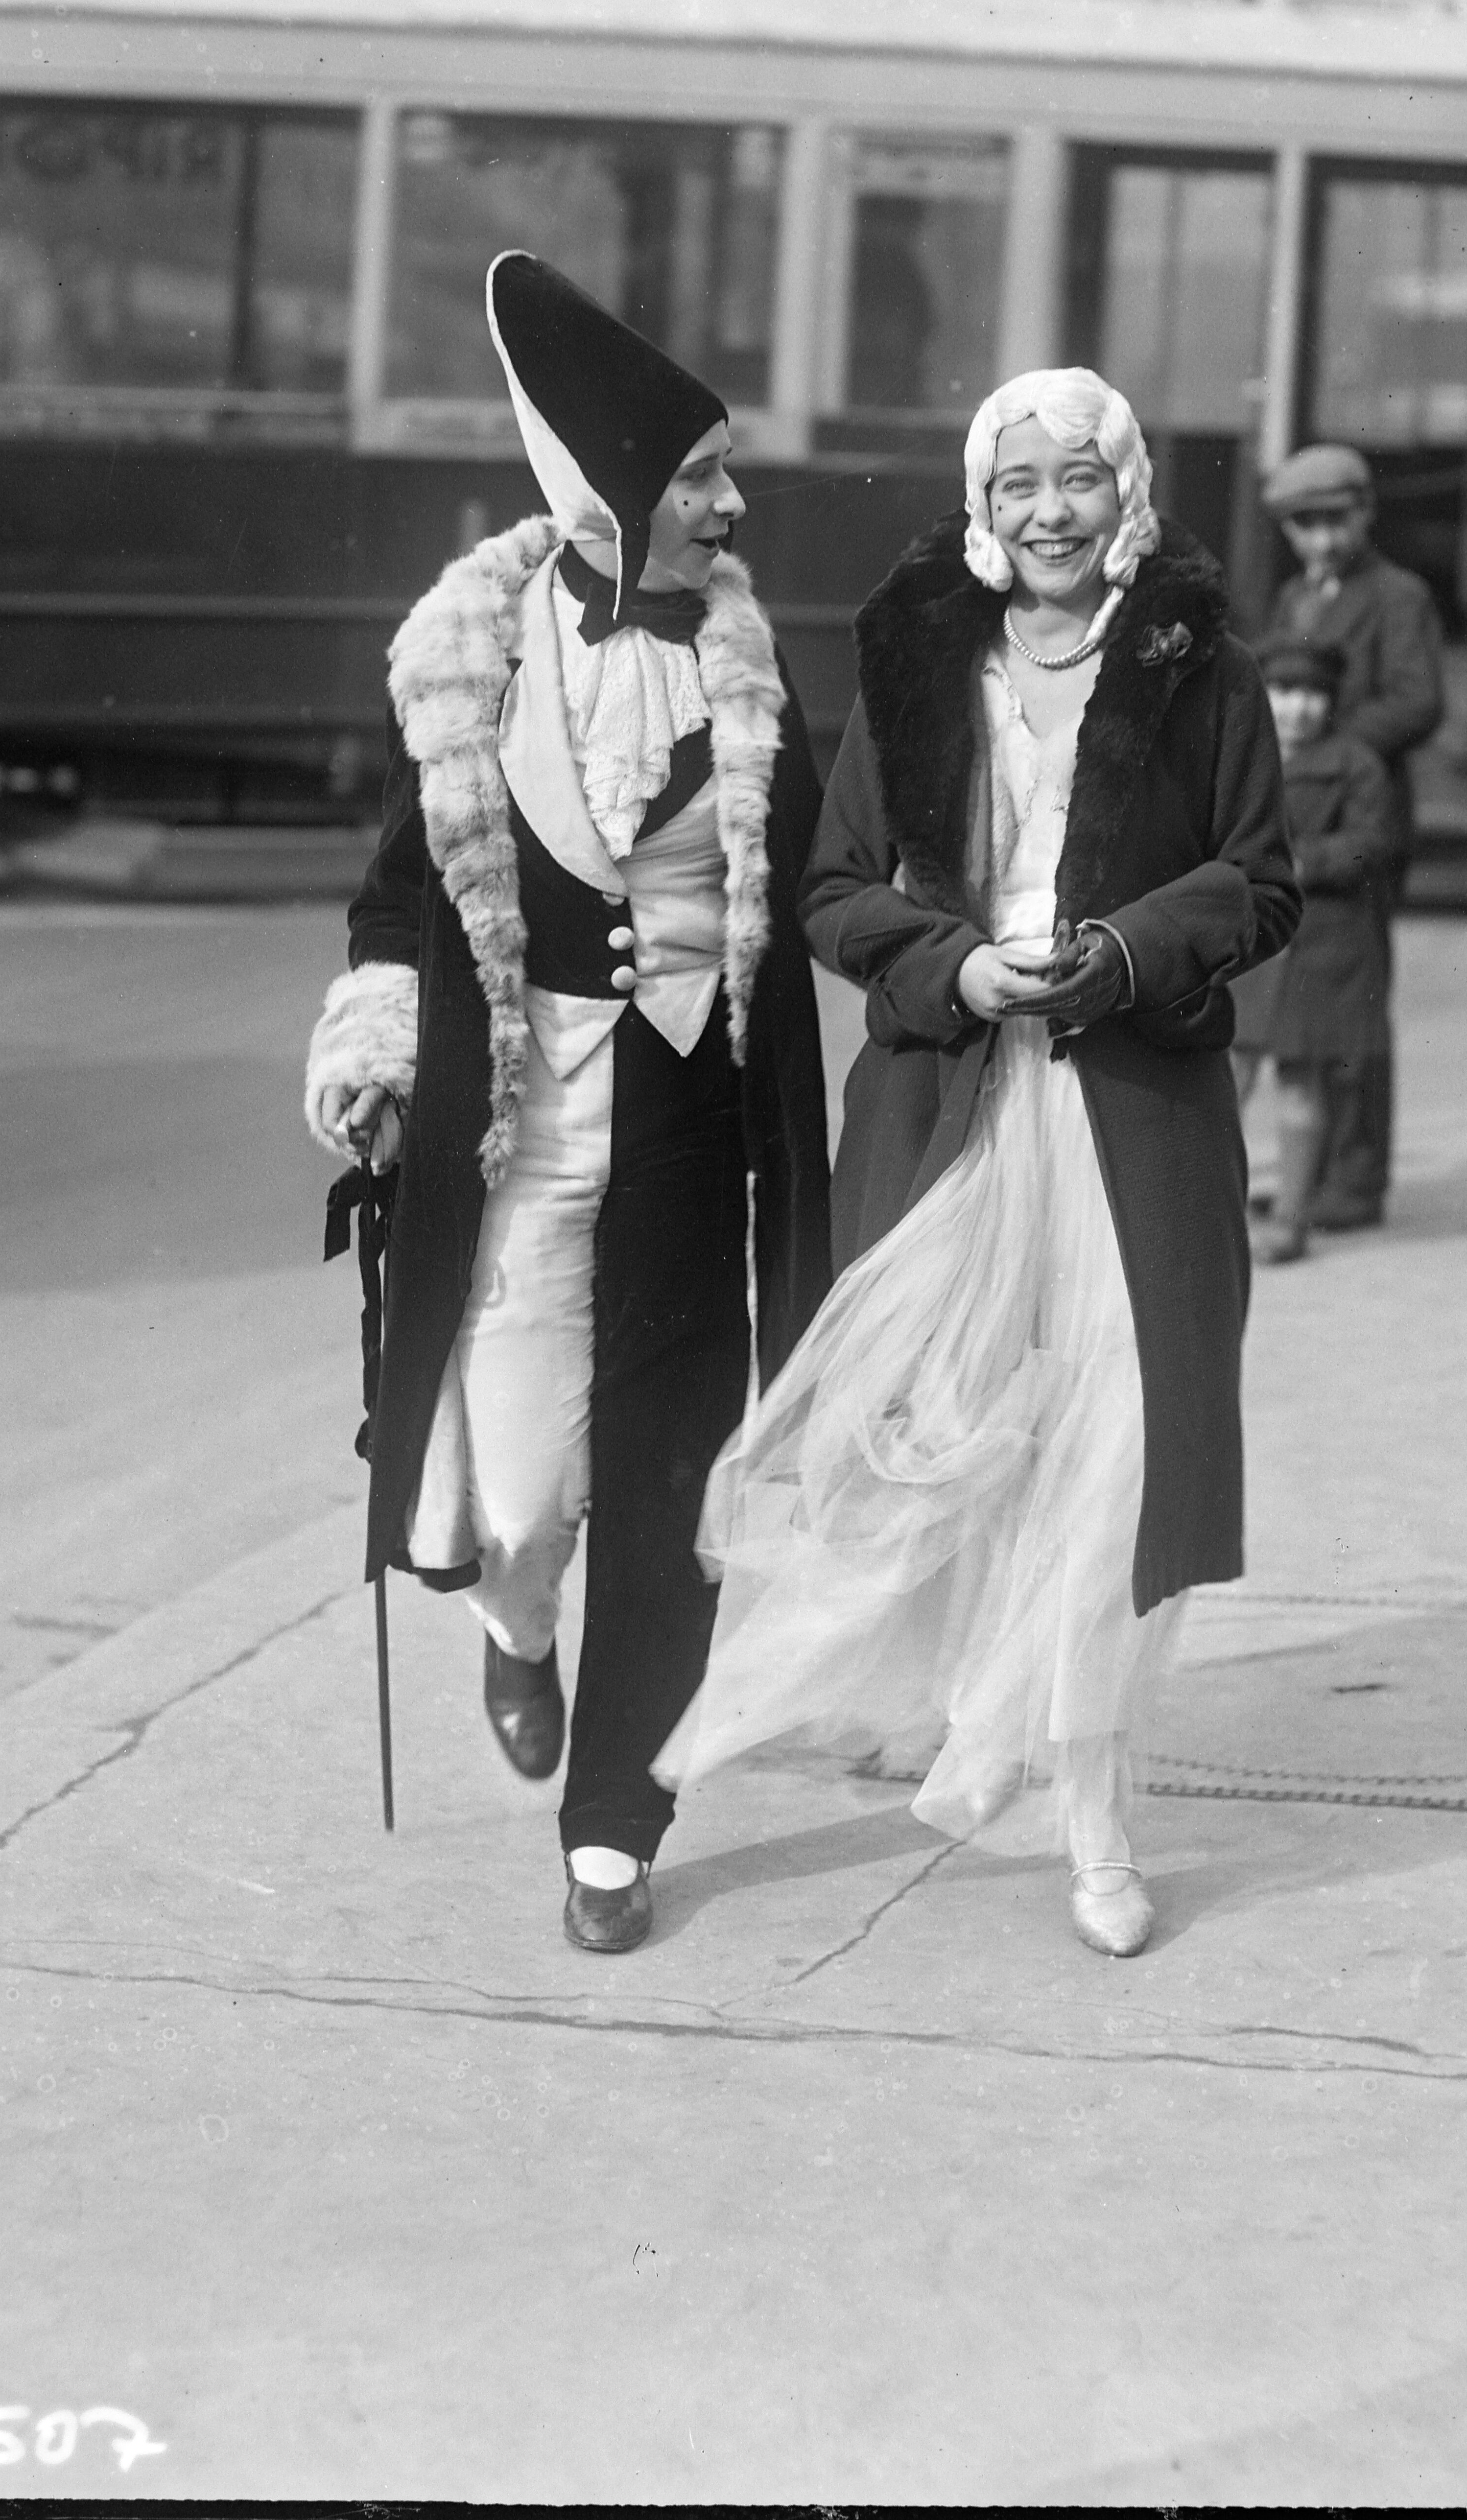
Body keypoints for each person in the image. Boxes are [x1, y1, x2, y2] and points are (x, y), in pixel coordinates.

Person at [658, 367, 1298, 1963]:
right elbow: (831, 889)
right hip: (950, 1107)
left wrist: (1120, 951)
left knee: (1111, 1464)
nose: (1048, 512)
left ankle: (1094, 1818)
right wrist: (955, 965)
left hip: (1130, 1122)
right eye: (1017, 484)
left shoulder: (1198, 664)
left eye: (1077, 477)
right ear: (978, 502)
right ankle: (954, 1710)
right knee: (941, 1450)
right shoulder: (917, 663)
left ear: (1126, 489)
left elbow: (1261, 879)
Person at [300, 251, 836, 1959]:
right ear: (609, 489)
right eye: (700, 479)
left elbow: (825, 883)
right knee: (525, 1496)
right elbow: (398, 903)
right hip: (521, 1130)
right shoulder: (474, 668)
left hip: (690, 1130)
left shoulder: (748, 673)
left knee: (673, 1490)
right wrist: (379, 1049)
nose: (730, 506)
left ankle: (615, 1823)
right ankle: (515, 1629)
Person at [1251, 444, 1443, 1233]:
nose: (1323, 540)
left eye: (1337, 522)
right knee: (1308, 1006)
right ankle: (1317, 1168)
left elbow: (1418, 700)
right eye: (1306, 526)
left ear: (1366, 514)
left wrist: (1328, 748)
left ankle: (1356, 1179)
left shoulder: (1398, 595)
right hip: (1306, 810)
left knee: (1352, 1008)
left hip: (1362, 812)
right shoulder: (1296, 596)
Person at [1230, 641, 1397, 1266]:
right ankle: (1212, 1210)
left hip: (1322, 942)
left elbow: (1372, 842)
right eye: (1284, 693)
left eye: (1313, 695)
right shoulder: (1243, 754)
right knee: (1229, 1080)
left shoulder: (1356, 765)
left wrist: (1307, 862)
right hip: (1250, 941)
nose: (1298, 709)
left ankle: (1292, 1217)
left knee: (1301, 1082)